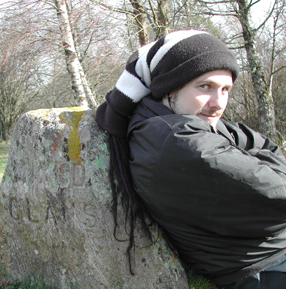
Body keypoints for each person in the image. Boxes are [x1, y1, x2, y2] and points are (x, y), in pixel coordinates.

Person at [96, 30, 286, 289]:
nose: (218, 103)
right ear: (169, 88)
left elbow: (263, 145)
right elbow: (278, 194)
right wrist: (259, 158)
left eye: (226, 89)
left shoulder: (179, 125)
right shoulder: (179, 141)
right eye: (204, 86)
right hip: (264, 271)